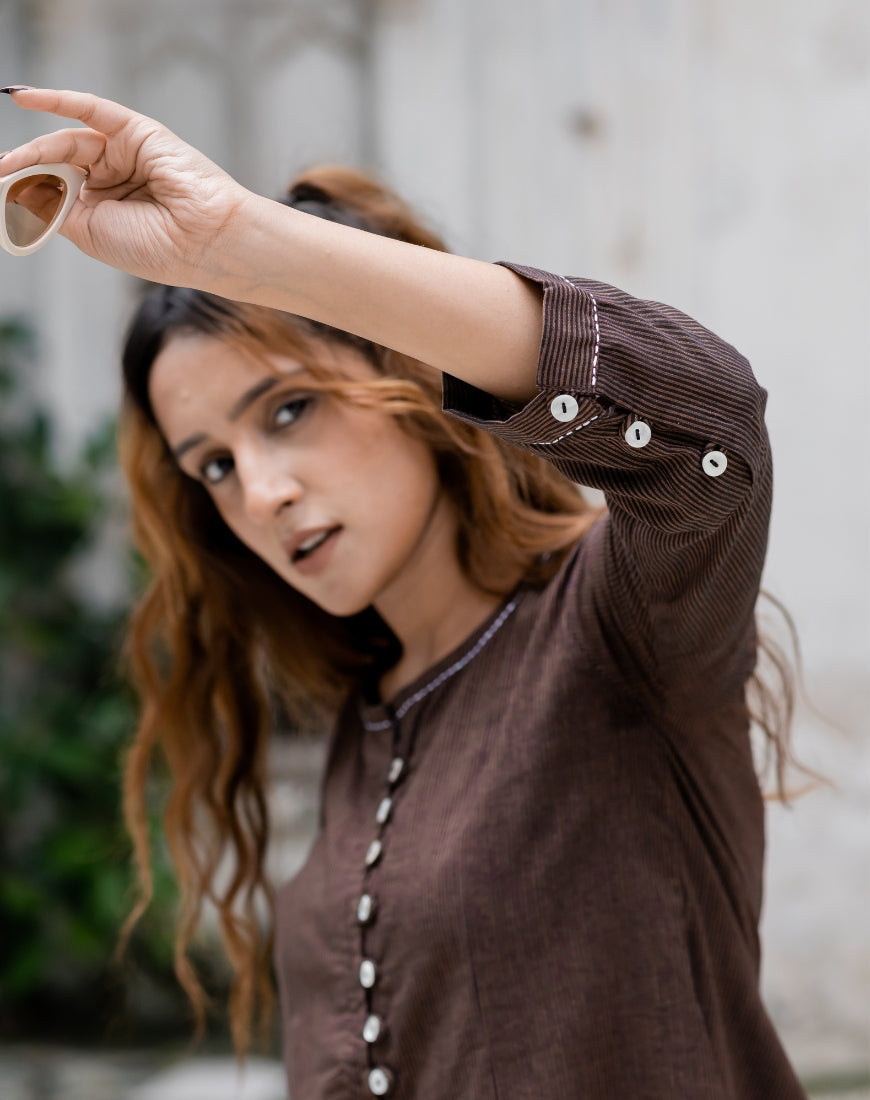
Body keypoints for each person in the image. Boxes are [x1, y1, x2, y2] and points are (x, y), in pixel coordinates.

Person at [1, 88, 807, 1099]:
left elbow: (710, 423)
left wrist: (246, 244)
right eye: (212, 465)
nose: (260, 490)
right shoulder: (364, 730)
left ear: (408, 374)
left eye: (289, 409)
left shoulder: (620, 634)